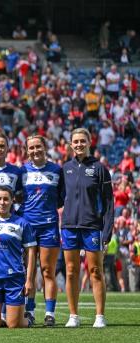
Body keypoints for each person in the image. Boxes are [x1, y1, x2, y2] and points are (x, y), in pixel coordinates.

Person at [61, 128, 113, 328]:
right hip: (69, 227)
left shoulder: (100, 168)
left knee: (95, 271)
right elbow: (59, 197)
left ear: (89, 142)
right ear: (71, 144)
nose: (79, 144)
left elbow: (109, 203)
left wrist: (107, 230)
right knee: (72, 271)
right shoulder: (65, 168)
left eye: (83, 141)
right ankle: (73, 316)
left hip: (92, 226)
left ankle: (100, 316)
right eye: (76, 141)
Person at [21, 134, 65, 326]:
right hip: (27, 226)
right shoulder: (21, 171)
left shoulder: (56, 170)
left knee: (48, 270)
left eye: (38, 146)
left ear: (44, 147)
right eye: (31, 148)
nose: (35, 150)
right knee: (28, 272)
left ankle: (49, 313)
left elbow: (62, 198)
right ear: (27, 150)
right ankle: (29, 311)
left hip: (48, 226)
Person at [0, 186, 37, 328]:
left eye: (6, 199)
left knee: (14, 325)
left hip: (14, 278)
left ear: (12, 200)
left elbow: (31, 252)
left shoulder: (21, 223)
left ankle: (28, 319)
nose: (2, 202)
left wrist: (29, 280)